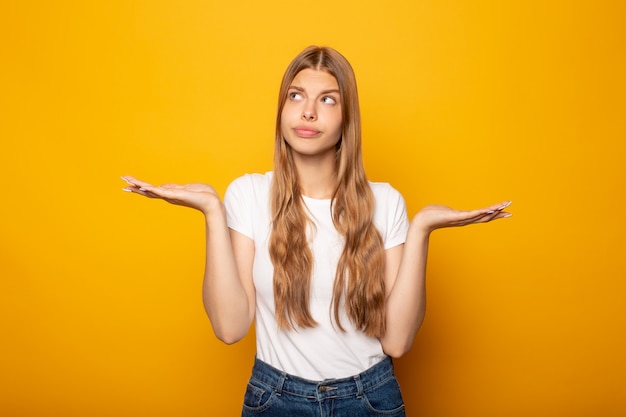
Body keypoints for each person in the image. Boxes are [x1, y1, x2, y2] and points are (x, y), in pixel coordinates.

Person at [122, 45, 511, 417]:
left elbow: (397, 341)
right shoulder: (249, 194)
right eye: (296, 96)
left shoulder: (386, 202)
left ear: (347, 119)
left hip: (370, 399)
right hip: (274, 399)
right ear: (281, 110)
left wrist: (422, 228)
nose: (308, 111)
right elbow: (229, 327)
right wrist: (210, 210)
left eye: (327, 99)